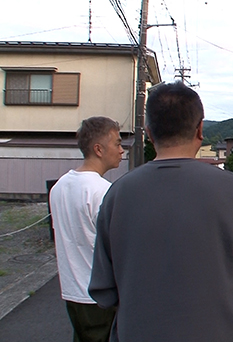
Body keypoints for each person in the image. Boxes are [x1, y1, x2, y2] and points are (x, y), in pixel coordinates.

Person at [89, 81, 233, 342]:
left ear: (150, 134)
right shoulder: (231, 189)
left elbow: (103, 291)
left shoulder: (117, 195)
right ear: (200, 129)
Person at [50, 116, 124, 342]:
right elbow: (118, 248)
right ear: (99, 149)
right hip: (100, 295)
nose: (122, 150)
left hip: (72, 291)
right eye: (118, 143)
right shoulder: (103, 191)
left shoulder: (60, 186)